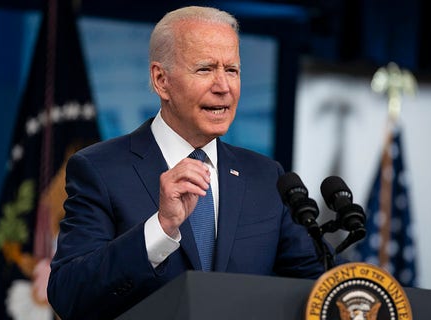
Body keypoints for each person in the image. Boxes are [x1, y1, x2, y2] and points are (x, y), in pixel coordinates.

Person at [47, 6, 334, 319]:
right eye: (205, 69)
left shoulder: (265, 177)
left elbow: (320, 285)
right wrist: (160, 228)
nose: (223, 86)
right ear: (161, 80)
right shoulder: (99, 170)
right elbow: (69, 294)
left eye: (232, 70)